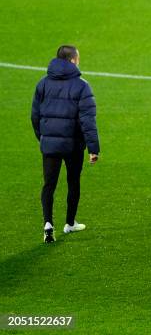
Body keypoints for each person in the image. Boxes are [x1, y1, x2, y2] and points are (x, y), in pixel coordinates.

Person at [31, 45, 99, 243]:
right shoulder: (82, 86)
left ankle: (48, 224)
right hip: (73, 145)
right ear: (72, 61)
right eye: (78, 58)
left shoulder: (43, 84)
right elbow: (88, 120)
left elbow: (34, 116)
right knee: (73, 182)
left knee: (49, 185)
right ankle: (69, 223)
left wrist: (43, 138)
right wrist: (93, 148)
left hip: (49, 144)